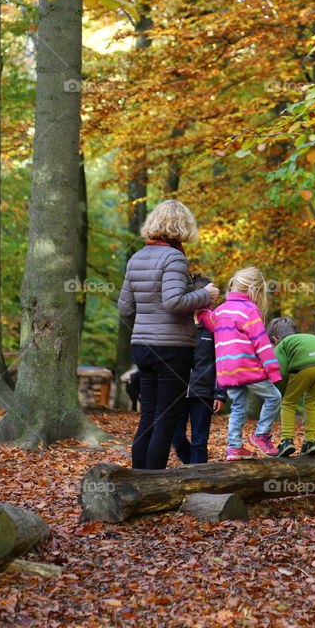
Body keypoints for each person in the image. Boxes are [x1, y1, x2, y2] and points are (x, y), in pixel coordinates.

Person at [118, 199, 219, 470]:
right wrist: (204, 295)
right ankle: (153, 483)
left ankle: (138, 480)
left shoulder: (136, 258)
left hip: (142, 346)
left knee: (148, 417)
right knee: (165, 420)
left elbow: (125, 308)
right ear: (182, 226)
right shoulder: (174, 258)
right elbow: (173, 302)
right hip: (171, 349)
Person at [198, 267, 282, 460]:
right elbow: (262, 343)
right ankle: (261, 435)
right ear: (254, 290)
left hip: (226, 371)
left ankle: (234, 447)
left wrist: (203, 305)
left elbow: (206, 319)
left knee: (238, 407)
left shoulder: (221, 310)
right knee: (274, 398)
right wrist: (273, 370)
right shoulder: (249, 310)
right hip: (247, 368)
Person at [267, 317, 315, 457]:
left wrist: (281, 391)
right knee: (313, 403)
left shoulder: (282, 344)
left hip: (304, 366)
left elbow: (281, 371)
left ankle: (286, 441)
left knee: (288, 403)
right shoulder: (312, 337)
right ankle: (310, 442)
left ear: (274, 339)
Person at [171, 274, 227, 464]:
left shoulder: (215, 326)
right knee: (176, 436)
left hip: (203, 391)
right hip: (177, 390)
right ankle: (190, 466)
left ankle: (199, 475)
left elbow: (222, 361)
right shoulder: (180, 324)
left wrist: (220, 393)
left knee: (200, 440)